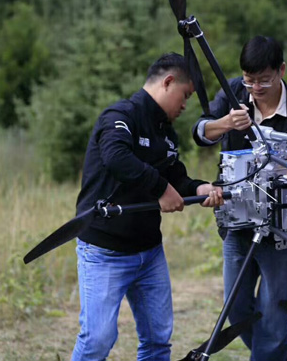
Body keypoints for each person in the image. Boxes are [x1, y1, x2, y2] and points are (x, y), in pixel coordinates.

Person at [72, 52, 224, 361]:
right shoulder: (120, 115)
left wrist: (200, 187)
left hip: (149, 253)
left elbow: (175, 177)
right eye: (185, 96)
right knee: (98, 341)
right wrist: (160, 188)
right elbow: (116, 157)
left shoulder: (166, 132)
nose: (185, 106)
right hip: (104, 252)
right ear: (168, 82)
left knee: (157, 340)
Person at [192, 35, 287, 361]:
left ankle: (273, 354)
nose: (255, 88)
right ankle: (286, 356)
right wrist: (224, 123)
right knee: (236, 310)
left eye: (263, 80)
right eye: (250, 80)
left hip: (283, 231)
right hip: (237, 223)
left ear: (281, 70)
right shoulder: (233, 92)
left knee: (272, 312)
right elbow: (199, 133)